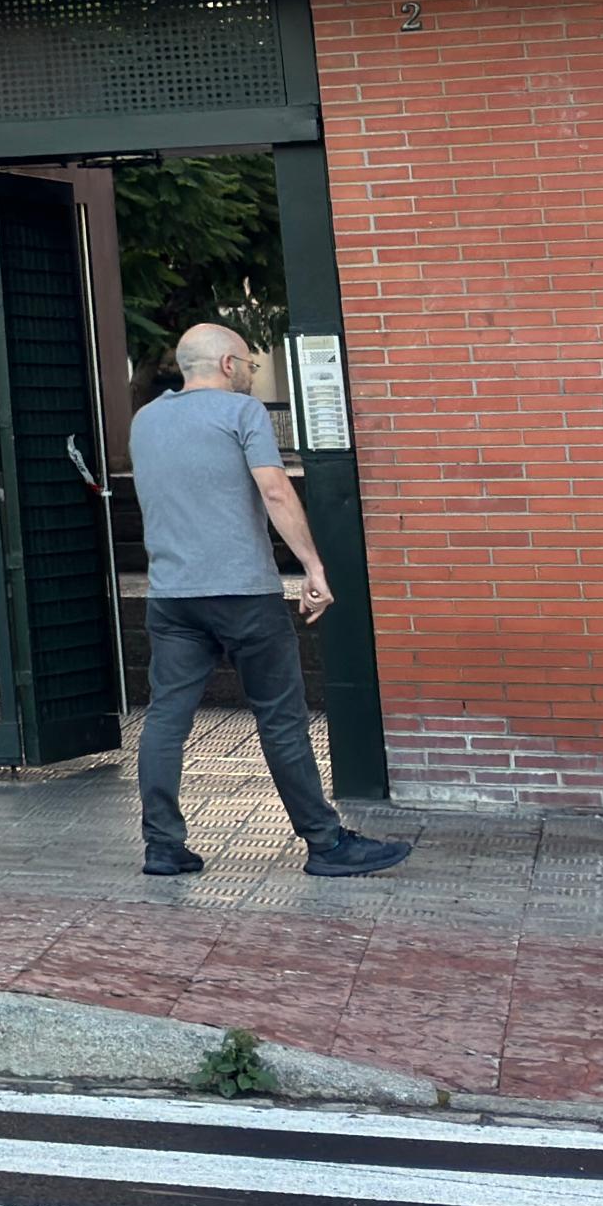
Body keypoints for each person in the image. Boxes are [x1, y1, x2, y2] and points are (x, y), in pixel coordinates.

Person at [134, 322, 410, 881]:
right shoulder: (242, 414)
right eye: (252, 367)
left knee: (166, 720)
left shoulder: (146, 419)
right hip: (242, 594)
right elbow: (276, 488)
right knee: (281, 720)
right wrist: (312, 566)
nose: (252, 378)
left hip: (171, 597)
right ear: (231, 364)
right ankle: (325, 842)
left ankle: (163, 847)